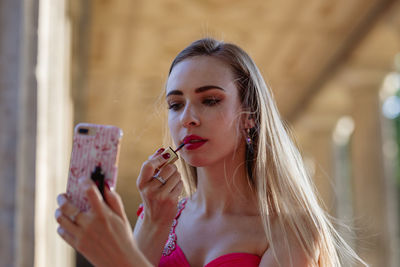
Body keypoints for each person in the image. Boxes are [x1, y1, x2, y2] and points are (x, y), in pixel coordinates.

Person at [56, 38, 367, 267]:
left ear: (250, 116)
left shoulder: (291, 233)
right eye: (175, 105)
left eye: (210, 100)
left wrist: (120, 259)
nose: (188, 118)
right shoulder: (157, 217)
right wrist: (151, 224)